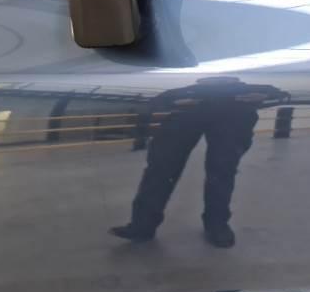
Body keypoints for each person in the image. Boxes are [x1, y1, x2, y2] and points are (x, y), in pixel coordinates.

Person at [111, 77, 289, 248]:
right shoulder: (197, 92)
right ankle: (144, 225)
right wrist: (261, 98)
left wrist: (261, 97)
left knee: (219, 171)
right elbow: (280, 95)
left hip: (223, 111)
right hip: (213, 110)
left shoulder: (193, 92)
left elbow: (279, 95)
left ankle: (215, 225)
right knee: (164, 168)